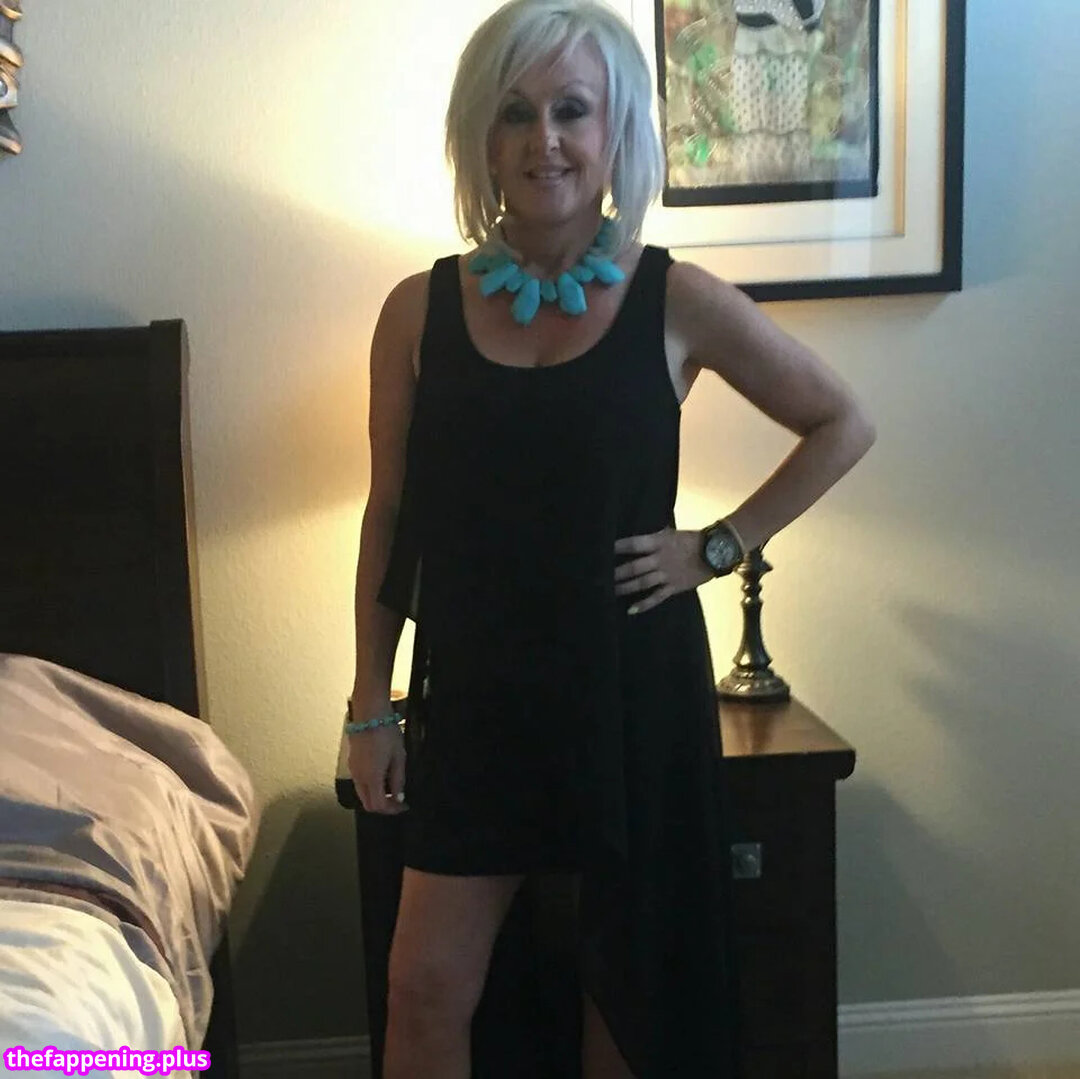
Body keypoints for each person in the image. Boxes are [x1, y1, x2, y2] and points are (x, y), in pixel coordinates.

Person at [347, 0, 876, 1076]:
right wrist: (370, 704)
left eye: (571, 110)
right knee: (423, 986)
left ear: (614, 130)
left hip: (632, 691)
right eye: (515, 113)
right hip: (476, 696)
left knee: (628, 992)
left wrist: (717, 546)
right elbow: (392, 517)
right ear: (480, 136)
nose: (543, 140)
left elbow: (842, 422)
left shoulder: (677, 298)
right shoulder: (416, 311)